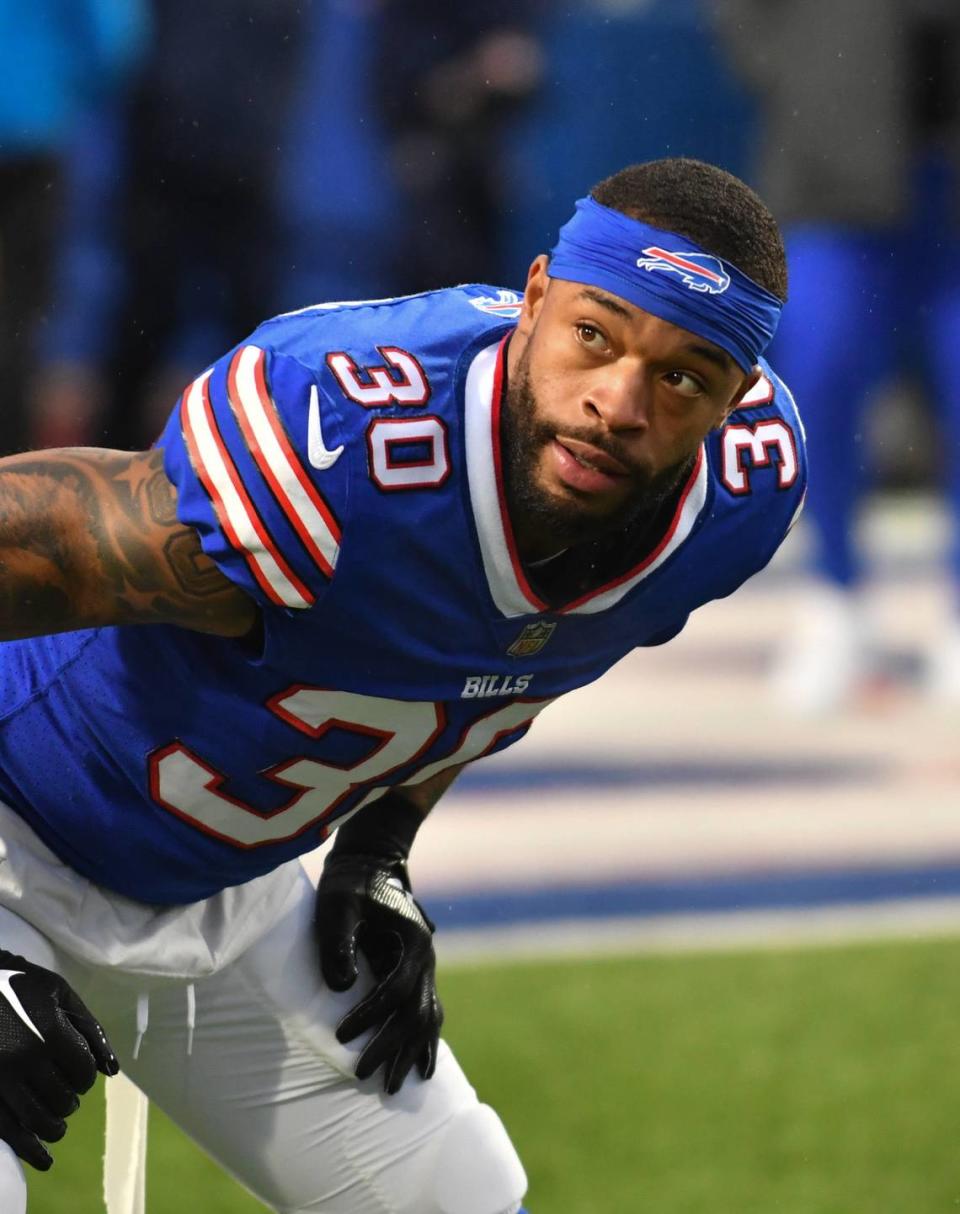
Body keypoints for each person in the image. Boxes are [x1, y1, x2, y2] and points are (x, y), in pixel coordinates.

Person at [0, 157, 804, 1214]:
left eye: (684, 376)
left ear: (735, 400)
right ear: (533, 301)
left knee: (458, 1199)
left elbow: (494, 659)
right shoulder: (343, 447)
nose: (618, 403)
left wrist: (380, 846)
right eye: (594, 337)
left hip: (224, 889)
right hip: (19, 820)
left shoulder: (730, 502)